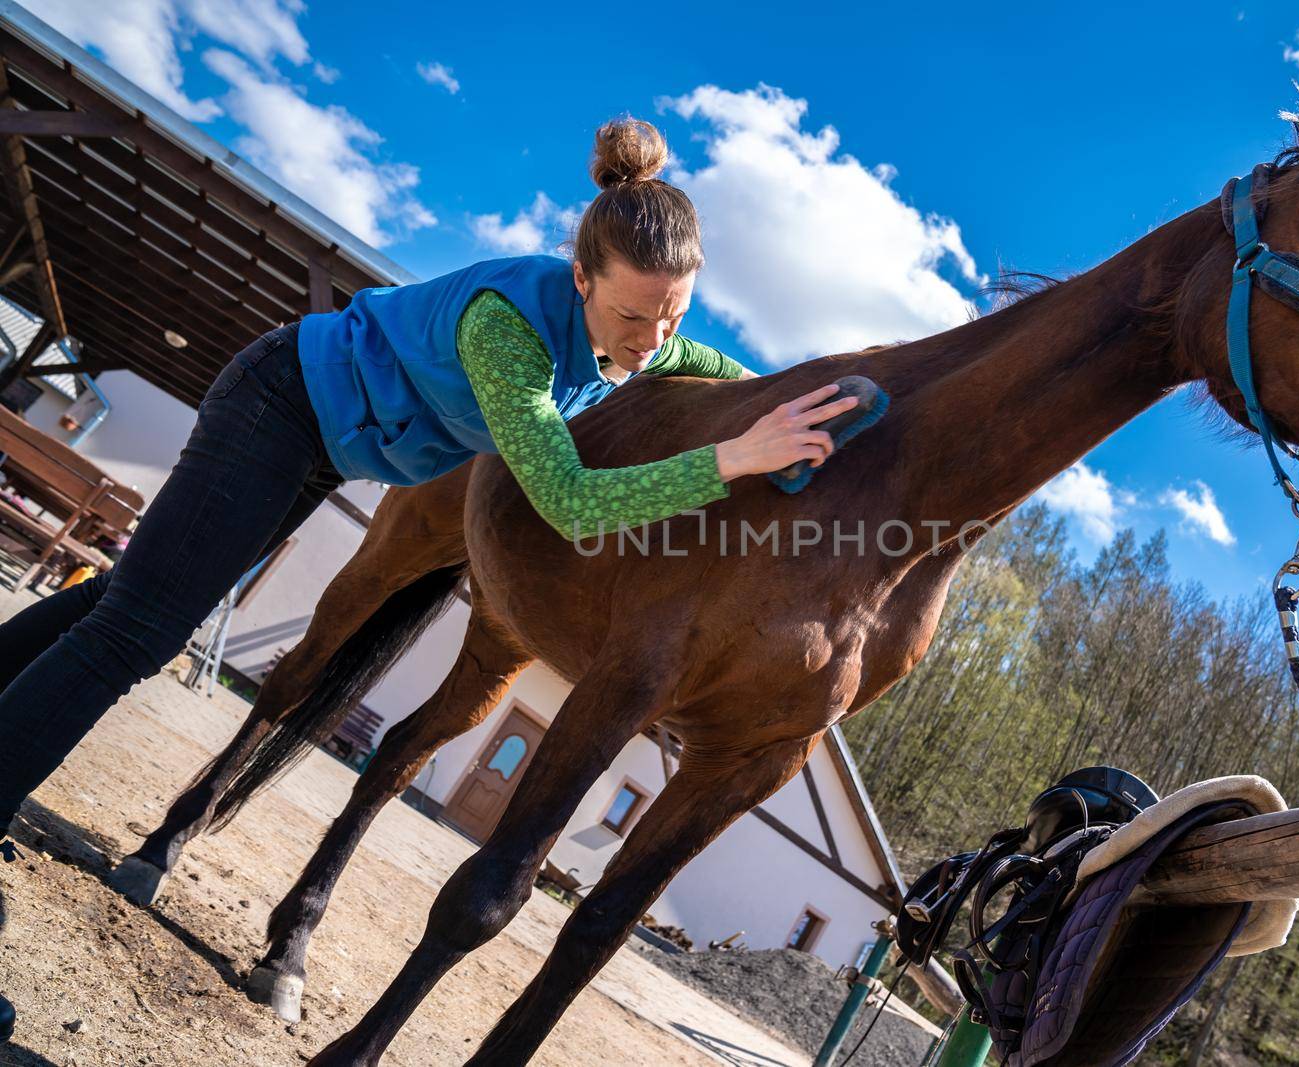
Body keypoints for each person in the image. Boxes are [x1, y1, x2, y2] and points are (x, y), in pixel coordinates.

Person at [0, 118, 856, 1039]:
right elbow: (568, 499)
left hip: (325, 450)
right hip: (279, 406)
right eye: (632, 316)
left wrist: (830, 418)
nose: (653, 342)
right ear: (581, 279)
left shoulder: (648, 335)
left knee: (122, 606)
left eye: (674, 316)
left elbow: (727, 377)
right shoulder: (510, 327)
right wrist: (731, 460)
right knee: (139, 632)